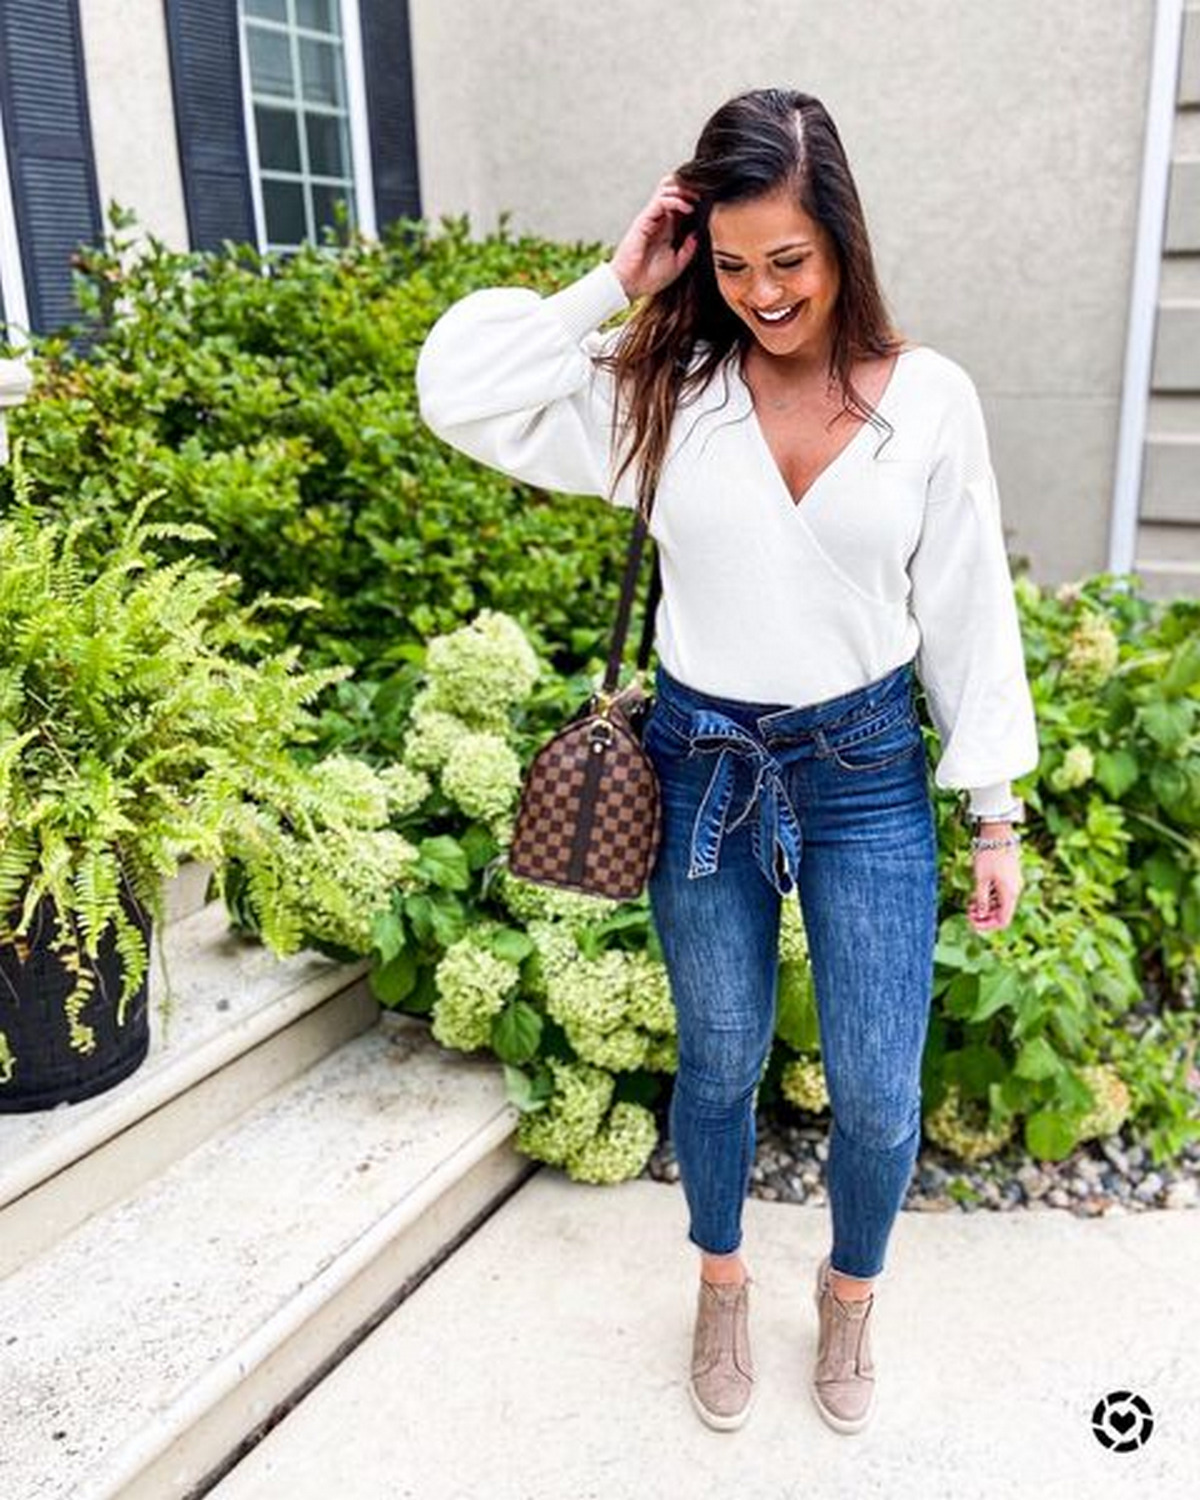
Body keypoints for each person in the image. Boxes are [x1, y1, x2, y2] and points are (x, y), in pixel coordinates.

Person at [415, 87, 1039, 1437]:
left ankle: (852, 1295)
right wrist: (616, 277)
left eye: (791, 264)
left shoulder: (926, 399)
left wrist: (994, 812)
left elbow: (971, 607)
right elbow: (454, 391)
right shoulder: (662, 388)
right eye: (736, 263)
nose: (763, 295)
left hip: (866, 771)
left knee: (877, 1091)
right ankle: (718, 1279)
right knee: (718, 1063)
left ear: (844, 245)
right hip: (701, 768)